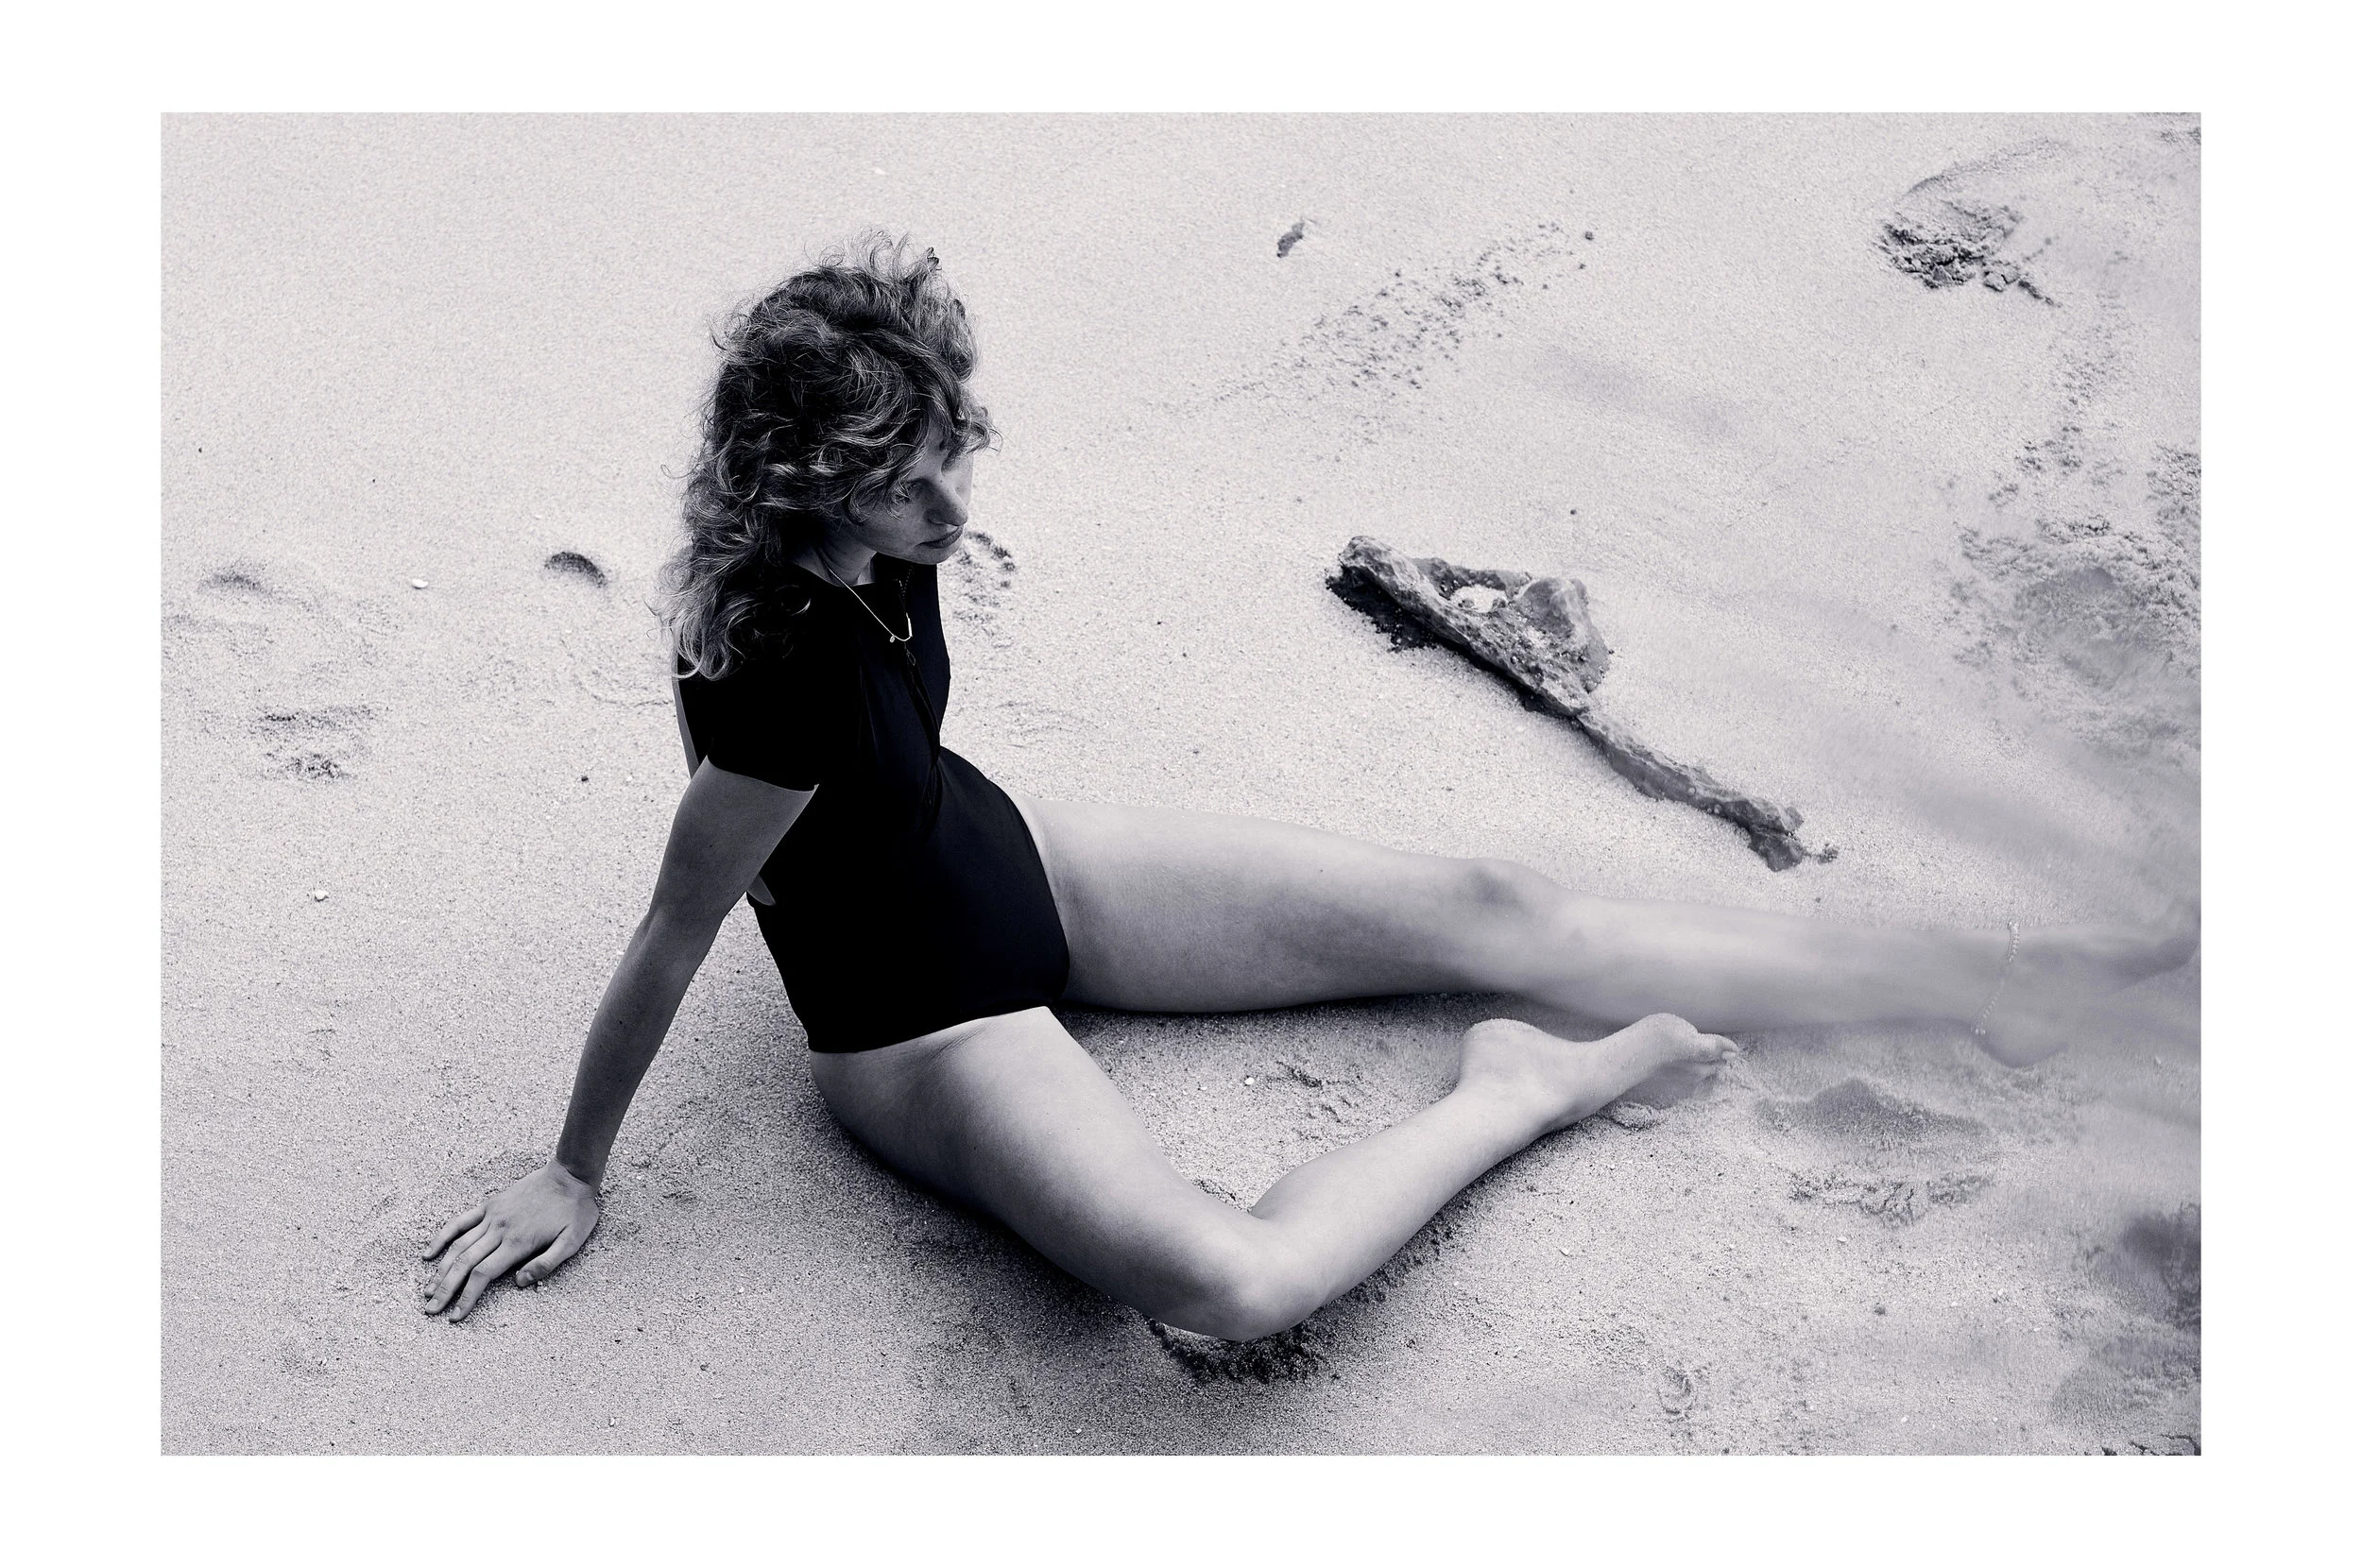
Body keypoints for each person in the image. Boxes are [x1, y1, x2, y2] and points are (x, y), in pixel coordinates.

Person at [422, 235, 2196, 1336]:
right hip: (924, 1030)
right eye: (905, 482)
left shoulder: (886, 546)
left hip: (1019, 867)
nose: (952, 507)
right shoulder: (775, 679)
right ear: (807, 484)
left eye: (951, 451)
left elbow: (902, 689)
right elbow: (673, 931)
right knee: (1231, 1287)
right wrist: (573, 1170)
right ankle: (1520, 1090)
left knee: (1495, 903)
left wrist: (915, 524)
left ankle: (1982, 979)